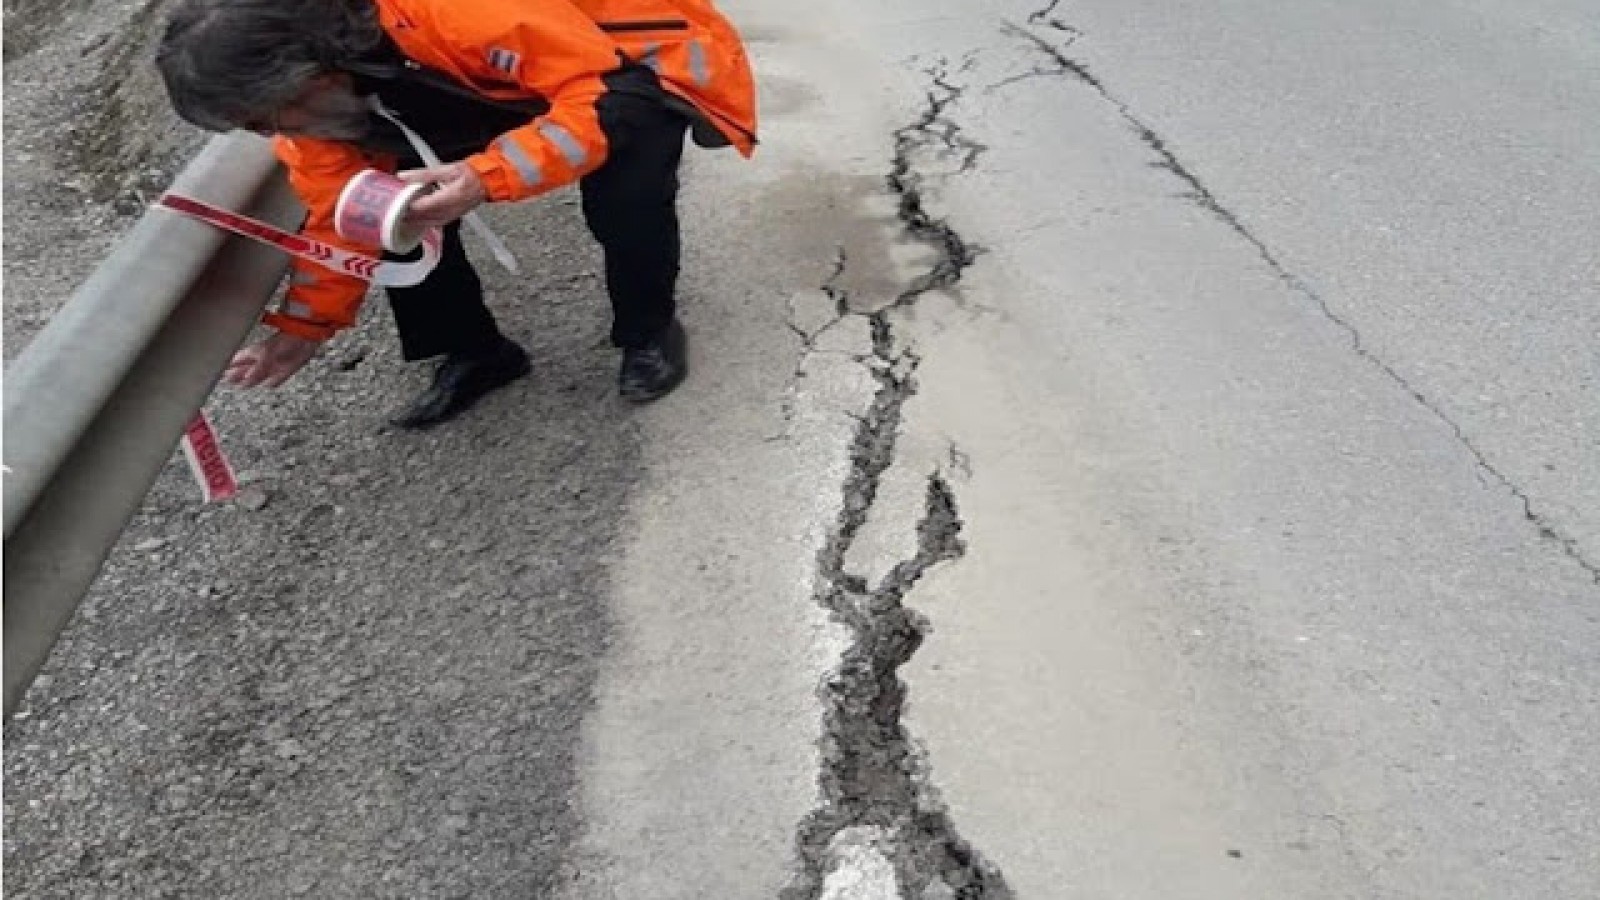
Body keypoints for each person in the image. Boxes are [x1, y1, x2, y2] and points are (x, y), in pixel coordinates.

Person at [157, 0, 757, 427]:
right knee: (387, 211)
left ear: (313, 71)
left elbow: (590, 96)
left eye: (267, 117)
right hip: (483, 87)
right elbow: (340, 216)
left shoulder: (459, 10)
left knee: (628, 202)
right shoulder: (316, 110)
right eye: (253, 126)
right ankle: (475, 351)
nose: (271, 133)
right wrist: (301, 331)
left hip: (615, 73)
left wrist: (484, 176)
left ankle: (647, 331)